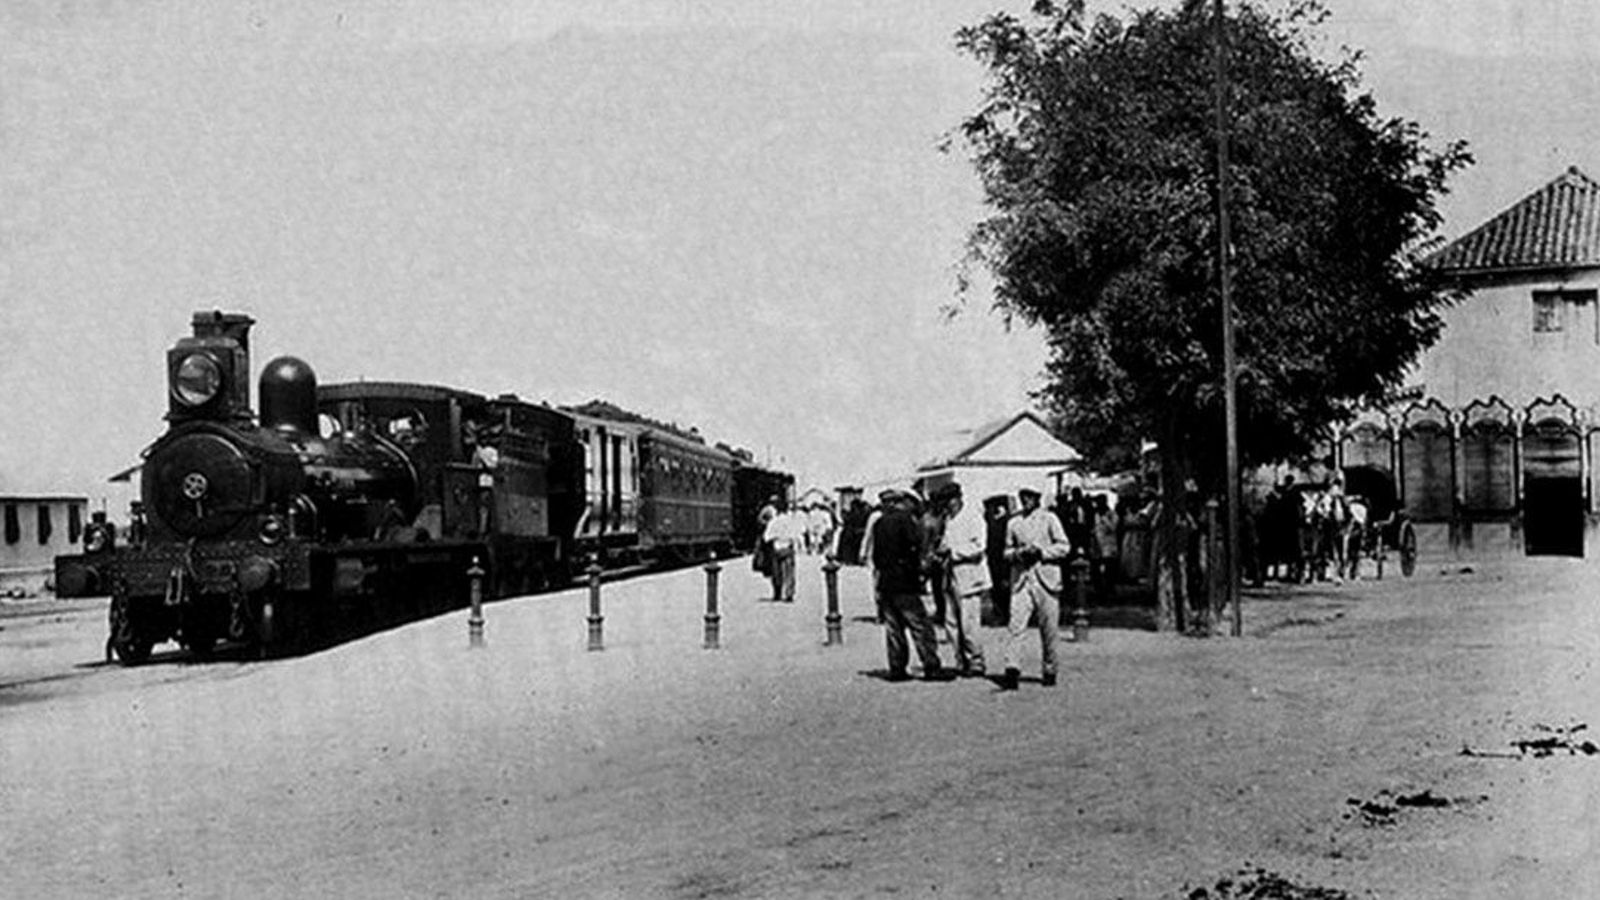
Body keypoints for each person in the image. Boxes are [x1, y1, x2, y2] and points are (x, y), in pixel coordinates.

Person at [1000, 486, 1072, 690]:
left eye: (1030, 496)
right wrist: (1018, 554)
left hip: (1046, 579)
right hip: (1022, 579)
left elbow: (1064, 546)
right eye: (1023, 496)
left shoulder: (1050, 519)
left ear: (1038, 498)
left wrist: (1041, 552)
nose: (1026, 500)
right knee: (1016, 625)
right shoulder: (1013, 522)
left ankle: (1050, 668)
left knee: (1048, 628)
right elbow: (1006, 550)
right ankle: (1012, 668)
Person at [870, 489, 946, 681]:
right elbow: (914, 547)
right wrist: (919, 573)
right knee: (920, 625)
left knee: (893, 628)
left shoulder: (879, 523)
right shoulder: (906, 520)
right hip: (904, 581)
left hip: (886, 581)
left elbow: (877, 556)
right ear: (902, 502)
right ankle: (931, 666)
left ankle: (897, 668)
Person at [934, 482, 987, 677]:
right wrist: (940, 552)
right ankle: (960, 660)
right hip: (950, 576)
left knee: (969, 623)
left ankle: (976, 661)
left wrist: (954, 552)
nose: (947, 506)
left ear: (957, 499)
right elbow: (946, 542)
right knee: (951, 623)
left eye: (949, 502)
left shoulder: (973, 517)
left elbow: (979, 546)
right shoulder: (949, 519)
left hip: (969, 576)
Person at [762, 499, 804, 602]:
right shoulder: (791, 521)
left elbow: (766, 537)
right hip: (788, 548)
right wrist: (799, 546)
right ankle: (789, 594)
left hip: (777, 548)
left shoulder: (774, 521)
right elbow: (798, 534)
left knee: (777, 572)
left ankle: (777, 593)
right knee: (789, 573)